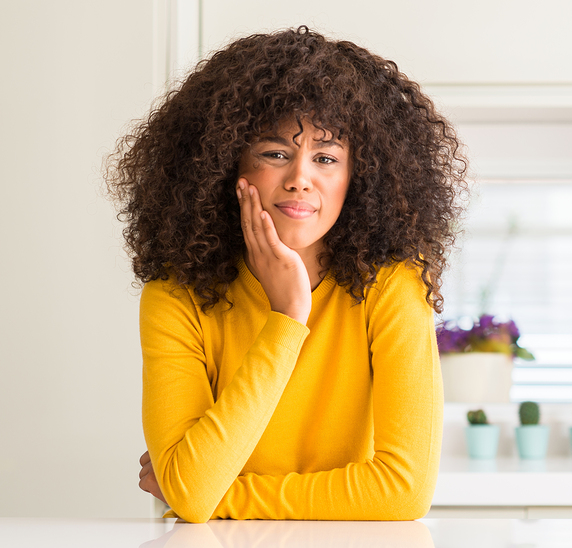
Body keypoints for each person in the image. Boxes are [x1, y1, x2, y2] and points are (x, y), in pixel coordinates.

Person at [106, 26, 467, 522]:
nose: (300, 178)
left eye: (326, 158)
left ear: (356, 178)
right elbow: (191, 497)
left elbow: (403, 492)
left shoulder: (394, 286)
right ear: (223, 163)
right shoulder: (176, 296)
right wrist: (288, 318)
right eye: (275, 153)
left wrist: (217, 496)